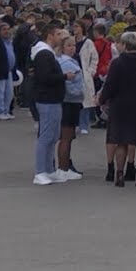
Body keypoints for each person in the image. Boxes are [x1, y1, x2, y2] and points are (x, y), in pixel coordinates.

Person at [99, 31, 136, 188]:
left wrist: (101, 99)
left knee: (121, 142)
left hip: (120, 107)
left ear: (125, 45)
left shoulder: (118, 63)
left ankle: (120, 175)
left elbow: (109, 86)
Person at [30, 23, 77, 185]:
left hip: (53, 100)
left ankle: (49, 169)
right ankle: (40, 171)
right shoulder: (44, 54)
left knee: (52, 136)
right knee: (46, 136)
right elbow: (44, 77)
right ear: (50, 36)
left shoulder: (47, 53)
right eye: (58, 34)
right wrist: (64, 77)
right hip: (47, 99)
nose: (61, 38)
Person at [56, 35, 85, 177]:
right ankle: (63, 168)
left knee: (68, 137)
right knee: (66, 137)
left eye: (74, 45)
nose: (72, 48)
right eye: (69, 45)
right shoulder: (66, 63)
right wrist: (79, 91)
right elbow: (68, 84)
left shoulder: (69, 61)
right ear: (62, 47)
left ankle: (65, 166)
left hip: (71, 102)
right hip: (69, 102)